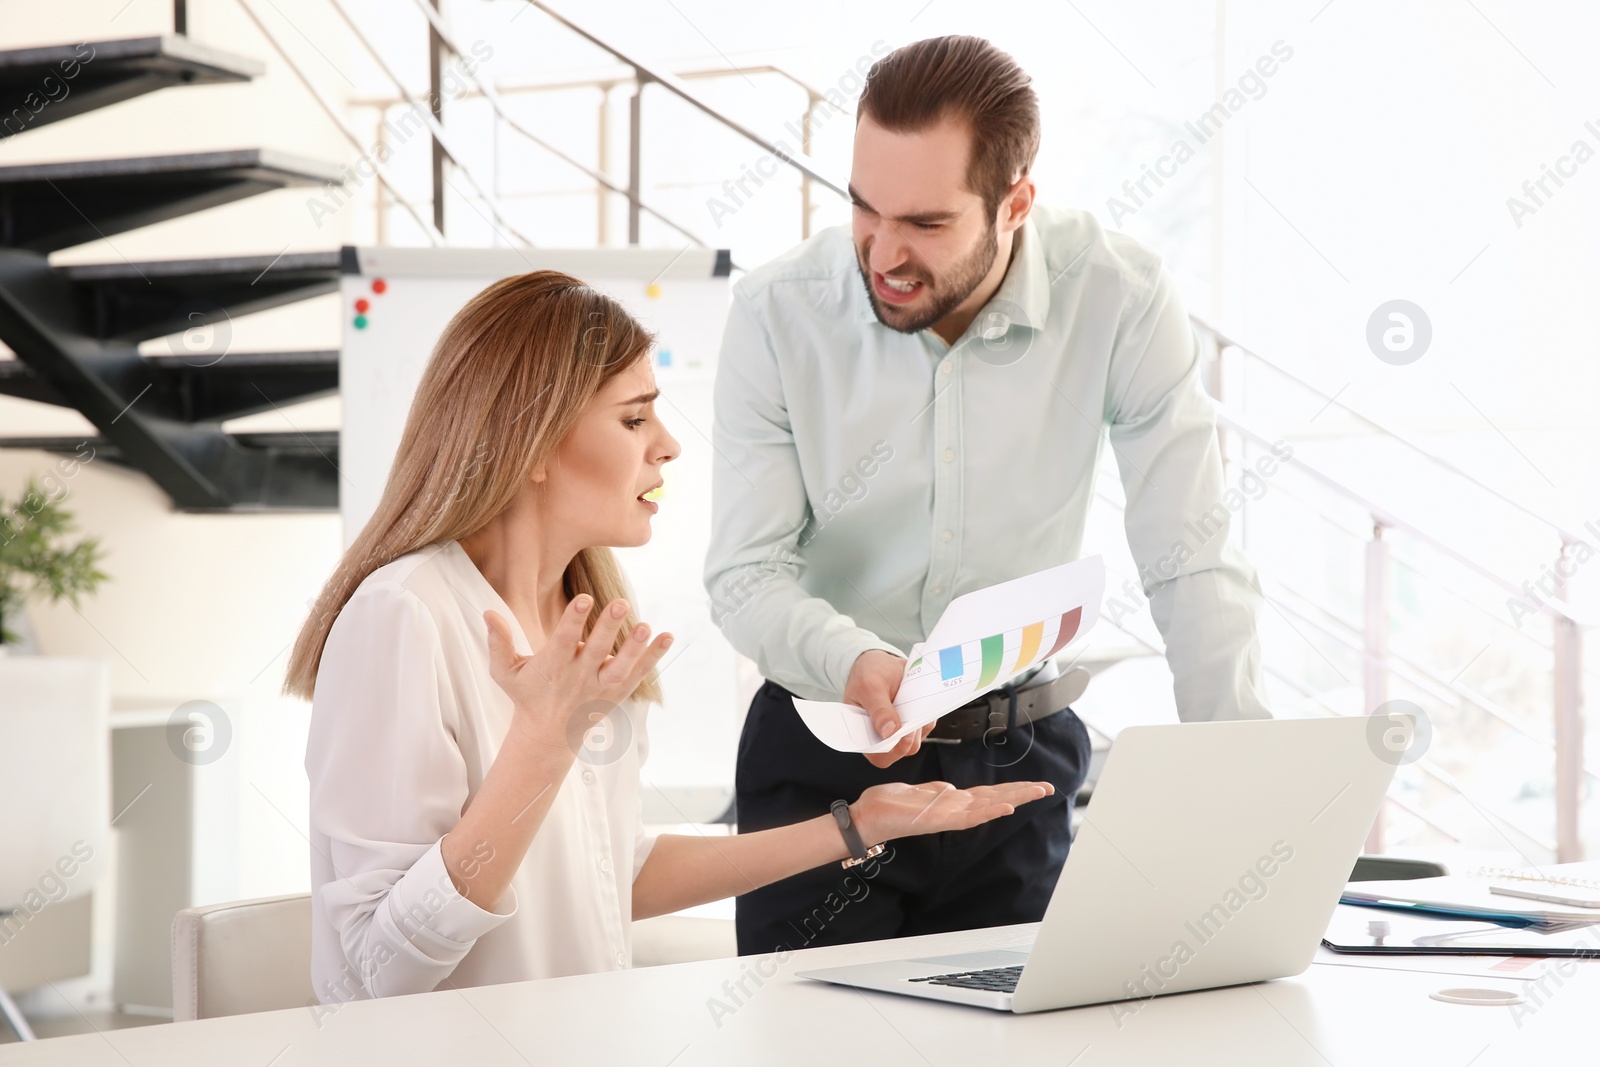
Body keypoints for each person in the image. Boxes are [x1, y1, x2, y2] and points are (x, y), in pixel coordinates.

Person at [283, 271, 1054, 1003]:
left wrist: (859, 825)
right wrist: (541, 746)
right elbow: (373, 973)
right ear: (536, 440)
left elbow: (614, 872)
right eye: (632, 416)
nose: (668, 443)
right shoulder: (403, 616)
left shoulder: (588, 616)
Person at [706, 35, 1271, 957]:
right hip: (823, 765)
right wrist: (854, 658)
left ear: (1016, 204)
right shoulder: (779, 313)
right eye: (863, 207)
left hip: (1019, 768)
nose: (883, 252)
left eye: (925, 223)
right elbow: (744, 573)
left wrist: (1246, 776)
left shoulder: (1117, 297)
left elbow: (1190, 550)